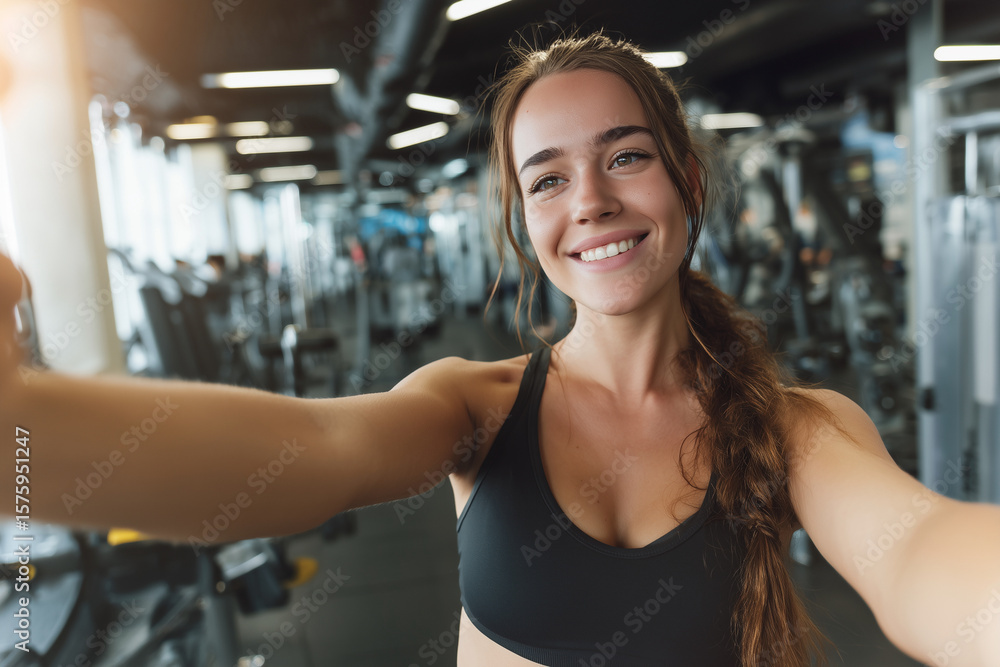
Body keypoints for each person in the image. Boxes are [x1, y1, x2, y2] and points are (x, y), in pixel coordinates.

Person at [1, 32, 999, 667]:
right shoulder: (471, 407)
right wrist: (18, 432)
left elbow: (919, 556)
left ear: (687, 179)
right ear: (522, 221)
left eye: (625, 156)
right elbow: (305, 457)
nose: (593, 201)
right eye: (548, 179)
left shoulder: (798, 428)